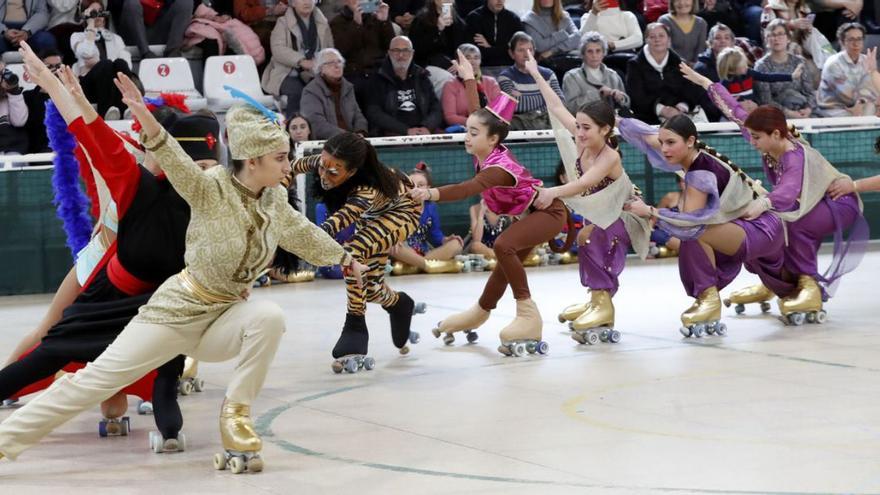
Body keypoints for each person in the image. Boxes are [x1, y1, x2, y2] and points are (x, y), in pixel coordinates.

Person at [0, 41, 366, 469]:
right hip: (169, 310)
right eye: (282, 158)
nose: (290, 167)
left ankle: (236, 418)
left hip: (220, 317)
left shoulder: (272, 203)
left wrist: (343, 257)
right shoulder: (206, 189)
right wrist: (128, 114)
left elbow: (302, 233)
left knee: (268, 317)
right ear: (250, 160)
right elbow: (156, 152)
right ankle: (6, 437)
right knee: (93, 382)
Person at [683, 61, 868, 323]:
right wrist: (706, 83)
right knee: (768, 229)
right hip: (806, 203)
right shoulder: (766, 138)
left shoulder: (794, 155)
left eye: (757, 138)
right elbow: (735, 111)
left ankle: (808, 286)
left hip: (837, 201)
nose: (753, 142)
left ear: (777, 134)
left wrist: (762, 204)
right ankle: (772, 282)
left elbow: (788, 191)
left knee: (794, 225)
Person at [411, 92, 568, 355]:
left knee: (503, 244)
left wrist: (429, 193)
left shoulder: (498, 168)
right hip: (531, 215)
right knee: (502, 270)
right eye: (467, 131)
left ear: (492, 139)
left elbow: (467, 188)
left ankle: (529, 316)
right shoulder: (483, 150)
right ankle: (479, 312)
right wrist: (469, 78)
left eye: (473, 133)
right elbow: (481, 115)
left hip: (548, 213)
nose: (467, 137)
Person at [618, 97, 786, 338]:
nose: (664, 149)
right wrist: (616, 121)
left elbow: (690, 223)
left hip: (760, 227)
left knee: (696, 234)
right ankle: (709, 298)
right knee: (697, 233)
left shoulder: (699, 175)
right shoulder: (691, 151)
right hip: (748, 222)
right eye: (662, 142)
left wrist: (651, 212)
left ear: (690, 142)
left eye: (670, 143)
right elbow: (647, 136)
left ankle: (709, 301)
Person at [524, 50, 650, 345]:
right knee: (584, 239)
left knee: (593, 238)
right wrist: (534, 72)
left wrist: (551, 192)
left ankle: (604, 303)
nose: (578, 133)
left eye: (585, 128)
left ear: (605, 130)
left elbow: (584, 183)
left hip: (627, 215)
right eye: (578, 126)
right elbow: (555, 105)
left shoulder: (609, 156)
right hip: (605, 215)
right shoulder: (583, 141)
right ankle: (595, 298)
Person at [287, 132, 424, 372]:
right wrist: (276, 190)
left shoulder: (366, 190)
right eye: (322, 166)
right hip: (373, 215)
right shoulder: (328, 162)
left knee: (352, 251)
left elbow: (338, 222)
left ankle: (355, 325)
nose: (323, 174)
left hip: (403, 212)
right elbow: (293, 167)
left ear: (352, 172)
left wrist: (297, 239)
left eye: (333, 172)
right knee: (369, 289)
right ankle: (398, 304)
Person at [261, 0, 334, 117]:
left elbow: (330, 48)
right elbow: (277, 49)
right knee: (298, 92)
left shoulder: (322, 22)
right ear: (293, 3)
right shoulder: (283, 22)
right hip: (287, 73)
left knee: (328, 90)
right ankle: (294, 128)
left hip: (315, 72)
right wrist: (301, 61)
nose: (307, 2)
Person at [389, 163, 465, 275]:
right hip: (406, 252)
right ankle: (432, 266)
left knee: (456, 244)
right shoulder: (398, 205)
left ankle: (417, 266)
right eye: (412, 185)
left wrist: (445, 240)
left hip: (425, 253)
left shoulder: (431, 207)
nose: (416, 189)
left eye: (420, 185)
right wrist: (393, 238)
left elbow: (436, 236)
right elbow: (389, 230)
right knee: (391, 246)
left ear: (428, 188)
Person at [625, 23, 704, 125]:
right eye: (652, 36)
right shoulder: (635, 65)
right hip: (648, 117)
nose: (657, 40)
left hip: (681, 113)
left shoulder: (680, 63)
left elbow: (691, 91)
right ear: (646, 40)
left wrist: (682, 107)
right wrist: (662, 110)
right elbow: (637, 96)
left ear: (669, 40)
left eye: (661, 36)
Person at [364, 36, 443, 136]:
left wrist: (426, 127)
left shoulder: (422, 76)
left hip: (422, 131)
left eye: (405, 50)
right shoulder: (377, 78)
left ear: (412, 53)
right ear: (389, 53)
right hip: (392, 133)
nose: (401, 55)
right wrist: (405, 130)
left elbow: (436, 108)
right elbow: (374, 112)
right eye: (396, 50)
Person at [70, 1, 136, 120]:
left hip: (114, 85)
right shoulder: (77, 36)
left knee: (119, 63)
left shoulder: (116, 38)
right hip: (89, 85)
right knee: (105, 64)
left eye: (100, 12)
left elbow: (127, 65)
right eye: (93, 12)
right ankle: (105, 110)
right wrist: (90, 25)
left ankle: (126, 108)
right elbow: (86, 52)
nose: (98, 16)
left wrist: (96, 62)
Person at [497, 31, 564, 130]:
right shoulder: (505, 77)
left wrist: (524, 98)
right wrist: (546, 97)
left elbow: (560, 102)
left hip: (547, 120)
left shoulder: (548, 74)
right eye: (521, 50)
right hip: (521, 123)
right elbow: (512, 106)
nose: (526, 55)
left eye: (530, 50)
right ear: (511, 54)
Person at [753, 19, 818, 118]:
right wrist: (790, 113)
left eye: (780, 34)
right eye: (771, 35)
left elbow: (810, 92)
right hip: (775, 115)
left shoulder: (799, 62)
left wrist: (808, 109)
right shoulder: (761, 66)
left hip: (803, 109)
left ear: (788, 38)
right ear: (766, 40)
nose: (776, 39)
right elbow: (765, 100)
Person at [300, 48, 369, 139]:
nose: (337, 66)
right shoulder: (311, 91)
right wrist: (346, 136)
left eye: (339, 62)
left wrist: (360, 132)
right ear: (321, 69)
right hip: (327, 144)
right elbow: (316, 124)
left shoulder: (348, 88)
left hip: (352, 141)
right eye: (331, 63)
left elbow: (357, 115)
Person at [817, 22, 879, 117]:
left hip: (860, 104)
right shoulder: (833, 64)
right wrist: (864, 100)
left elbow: (876, 88)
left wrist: (873, 72)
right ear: (842, 42)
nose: (856, 44)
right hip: (834, 108)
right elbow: (847, 95)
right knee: (866, 114)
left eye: (859, 39)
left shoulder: (866, 60)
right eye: (851, 40)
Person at [561, 31, 629, 115]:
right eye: (590, 51)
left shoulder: (613, 75)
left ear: (603, 53)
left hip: (612, 121)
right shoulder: (571, 77)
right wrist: (598, 94)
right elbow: (571, 107)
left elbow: (627, 104)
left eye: (598, 51)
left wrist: (621, 98)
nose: (594, 55)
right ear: (583, 54)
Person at [107, 0, 194, 58]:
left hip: (160, 28)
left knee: (186, 2)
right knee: (131, 3)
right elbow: (113, 5)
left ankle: (173, 51)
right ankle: (145, 53)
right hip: (133, 31)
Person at [715, 46, 802, 104]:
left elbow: (768, 77)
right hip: (734, 113)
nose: (746, 67)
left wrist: (791, 76)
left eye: (745, 64)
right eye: (742, 67)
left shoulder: (749, 73)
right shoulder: (725, 82)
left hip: (752, 110)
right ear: (731, 70)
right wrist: (729, 102)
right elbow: (717, 100)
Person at [441, 43, 500, 127]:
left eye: (476, 58)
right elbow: (450, 117)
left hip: (490, 128)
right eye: (468, 58)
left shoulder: (491, 82)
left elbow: (499, 111)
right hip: (463, 131)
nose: (473, 62)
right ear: (458, 62)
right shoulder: (450, 85)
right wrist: (478, 123)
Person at [521, 0, 581, 82]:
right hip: (544, 67)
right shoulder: (528, 20)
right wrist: (562, 35)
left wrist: (552, 51)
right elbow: (540, 46)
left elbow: (577, 38)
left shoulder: (564, 16)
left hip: (568, 64)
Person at [579, 0, 642, 75]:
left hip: (626, 59)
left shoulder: (627, 15)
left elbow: (638, 39)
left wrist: (613, 45)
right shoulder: (587, 16)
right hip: (600, 60)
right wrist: (594, 13)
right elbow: (583, 38)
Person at [464, 0, 524, 71]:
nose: (500, 1)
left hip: (509, 68)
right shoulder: (474, 18)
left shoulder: (514, 19)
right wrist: (503, 49)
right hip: (481, 68)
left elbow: (517, 51)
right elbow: (475, 51)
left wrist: (490, 47)